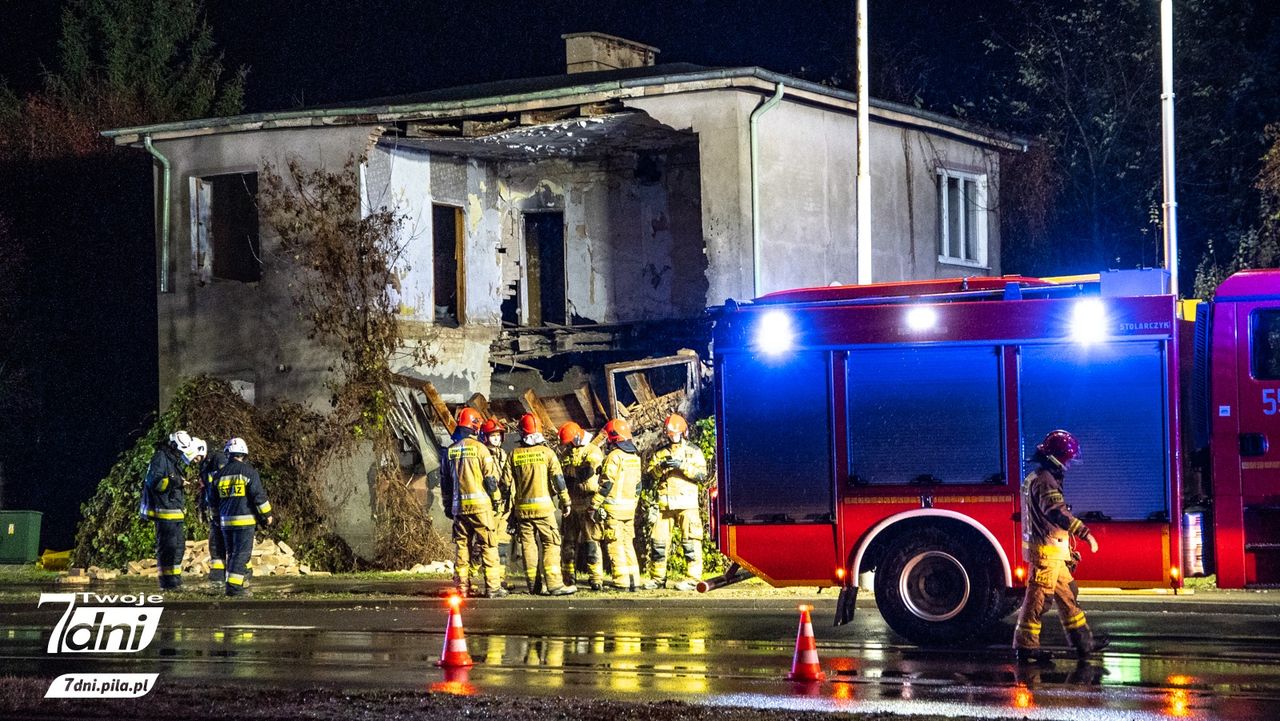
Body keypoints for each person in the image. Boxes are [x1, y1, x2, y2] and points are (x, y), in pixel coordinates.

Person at [1013, 430, 1109, 663]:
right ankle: (1026, 647)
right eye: (1068, 458)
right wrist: (1084, 533)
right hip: (1047, 552)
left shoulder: (1040, 477)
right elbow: (1055, 512)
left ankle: (1084, 643)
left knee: (1068, 595)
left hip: (1052, 550)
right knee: (1038, 599)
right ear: (1057, 457)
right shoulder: (1045, 480)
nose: (1070, 464)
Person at [503, 414, 577, 595]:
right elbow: (558, 480)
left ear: (522, 432)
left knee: (528, 546)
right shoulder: (547, 454)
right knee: (551, 543)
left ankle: (533, 586)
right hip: (544, 510)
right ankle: (554, 585)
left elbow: (505, 483)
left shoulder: (514, 455)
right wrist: (565, 501)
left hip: (522, 511)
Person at [441, 408, 507, 598]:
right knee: (488, 545)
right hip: (480, 507)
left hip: (458, 508)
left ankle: (461, 587)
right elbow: (490, 480)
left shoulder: (450, 452)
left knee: (462, 546)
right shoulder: (481, 449)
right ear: (475, 427)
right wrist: (496, 501)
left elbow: (445, 482)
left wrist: (448, 506)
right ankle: (493, 588)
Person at [643, 414, 709, 591]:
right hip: (665, 504)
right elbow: (650, 475)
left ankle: (692, 579)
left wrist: (682, 466)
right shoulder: (660, 452)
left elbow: (702, 475)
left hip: (687, 504)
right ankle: (657, 578)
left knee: (691, 541)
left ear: (683, 432)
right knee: (658, 542)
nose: (672, 437)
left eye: (675, 433)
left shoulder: (693, 451)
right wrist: (660, 468)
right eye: (670, 434)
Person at [213, 438, 274, 597]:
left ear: (228, 454)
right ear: (244, 454)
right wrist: (267, 515)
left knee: (232, 553)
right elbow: (258, 496)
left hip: (226, 522)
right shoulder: (248, 472)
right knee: (241, 554)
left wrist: (216, 518)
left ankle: (238, 582)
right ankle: (234, 587)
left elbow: (212, 501)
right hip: (245, 521)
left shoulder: (219, 474)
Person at [142, 430, 202, 590]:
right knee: (167, 548)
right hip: (164, 510)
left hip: (174, 510)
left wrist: (179, 481)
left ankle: (174, 579)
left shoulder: (171, 459)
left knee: (178, 546)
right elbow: (155, 482)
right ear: (174, 445)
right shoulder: (160, 457)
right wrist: (177, 481)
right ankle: (167, 582)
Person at [594, 418, 642, 591]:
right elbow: (638, 486)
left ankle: (621, 582)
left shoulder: (613, 456)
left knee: (615, 544)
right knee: (628, 544)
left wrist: (594, 505)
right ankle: (634, 581)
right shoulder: (634, 457)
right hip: (629, 509)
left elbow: (606, 485)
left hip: (613, 510)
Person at [558, 421, 606, 591]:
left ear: (578, 437)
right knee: (568, 542)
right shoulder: (566, 453)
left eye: (571, 442)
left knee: (591, 542)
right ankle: (568, 578)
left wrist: (571, 471)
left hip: (587, 501)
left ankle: (596, 578)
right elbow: (561, 477)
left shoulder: (592, 450)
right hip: (571, 501)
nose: (570, 445)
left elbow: (587, 472)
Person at [197, 440, 230, 584]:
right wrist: (203, 504)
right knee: (215, 541)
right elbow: (206, 487)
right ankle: (218, 574)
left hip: (225, 508)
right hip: (214, 507)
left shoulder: (219, 459)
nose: (195, 460)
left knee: (230, 541)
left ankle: (241, 573)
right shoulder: (204, 463)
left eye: (196, 457)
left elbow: (222, 484)